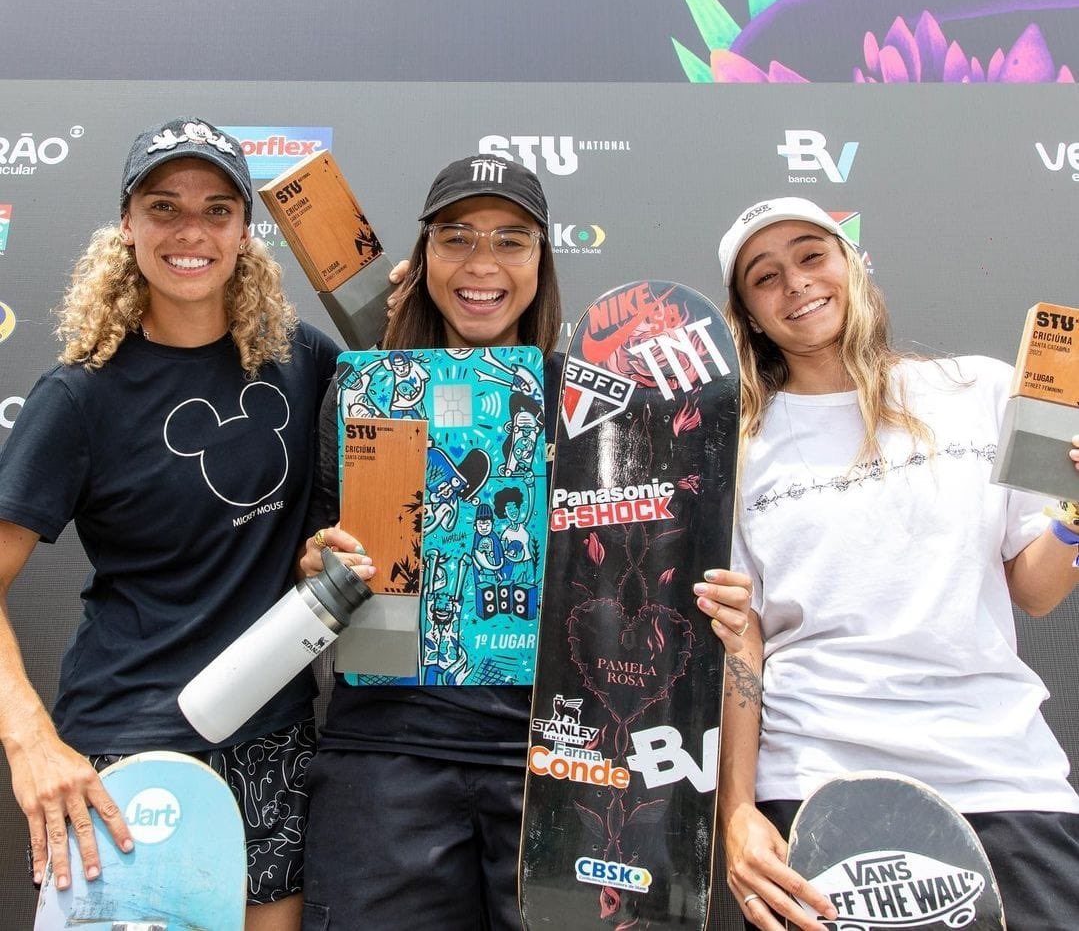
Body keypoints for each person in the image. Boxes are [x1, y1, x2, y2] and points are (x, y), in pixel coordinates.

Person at [298, 154, 754, 930]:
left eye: (512, 241)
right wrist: (315, 568)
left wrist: (711, 604)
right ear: (425, 257)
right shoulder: (364, 387)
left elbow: (656, 563)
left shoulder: (604, 403)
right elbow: (315, 550)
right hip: (386, 751)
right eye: (457, 239)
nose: (483, 264)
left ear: (542, 261)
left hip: (555, 766)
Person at [0, 117, 372, 931]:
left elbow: (406, 410)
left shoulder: (302, 361)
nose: (189, 231)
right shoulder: (79, 397)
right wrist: (29, 741)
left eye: (215, 209)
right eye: (164, 207)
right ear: (127, 227)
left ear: (246, 231)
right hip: (126, 751)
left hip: (271, 733)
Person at [712, 195, 1079, 931]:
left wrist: (1074, 520)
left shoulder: (979, 389)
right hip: (816, 786)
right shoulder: (734, 447)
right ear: (749, 313)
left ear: (852, 264)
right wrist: (738, 809)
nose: (796, 283)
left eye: (812, 255)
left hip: (1002, 774)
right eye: (765, 275)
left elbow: (1033, 591)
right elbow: (739, 638)